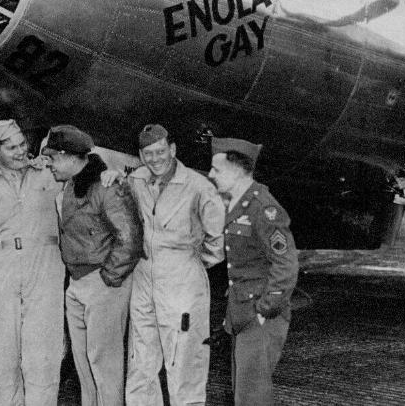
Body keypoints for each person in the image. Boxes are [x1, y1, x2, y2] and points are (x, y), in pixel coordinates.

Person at [0, 119, 65, 405]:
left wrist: (108, 174)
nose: (21, 151)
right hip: (3, 273)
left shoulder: (49, 173)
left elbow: (81, 173)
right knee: (4, 359)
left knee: (43, 359)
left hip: (44, 269)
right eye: (12, 147)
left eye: (23, 144)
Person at [125, 124, 226, 406]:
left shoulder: (199, 186)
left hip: (182, 278)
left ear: (173, 149)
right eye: (148, 154)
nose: (155, 159)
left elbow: (217, 241)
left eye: (160, 152)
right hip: (144, 276)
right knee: (141, 360)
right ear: (140, 155)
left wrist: (189, 264)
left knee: (183, 361)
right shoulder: (137, 180)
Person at [43, 125, 143, 406]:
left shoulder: (106, 187)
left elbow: (130, 238)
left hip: (102, 284)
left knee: (105, 365)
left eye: (52, 158)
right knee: (84, 365)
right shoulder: (69, 186)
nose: (48, 164)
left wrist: (107, 279)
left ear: (68, 157)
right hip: (76, 285)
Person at [208, 137, 298, 406]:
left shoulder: (264, 208)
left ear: (237, 171)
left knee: (252, 396)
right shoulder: (237, 203)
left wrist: (266, 308)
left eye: (217, 169)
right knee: (243, 392)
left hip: (259, 315)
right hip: (241, 310)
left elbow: (286, 263)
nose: (211, 175)